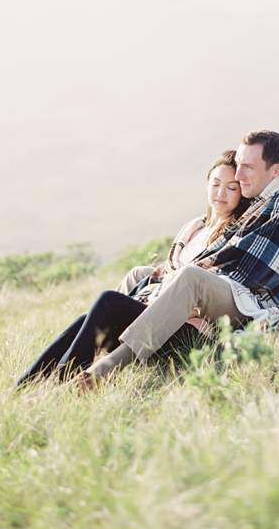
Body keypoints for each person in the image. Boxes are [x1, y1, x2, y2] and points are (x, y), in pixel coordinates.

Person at [18, 150, 251, 386]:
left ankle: (63, 383)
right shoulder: (196, 228)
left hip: (184, 329)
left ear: (241, 193)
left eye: (231, 188)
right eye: (216, 184)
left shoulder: (233, 235)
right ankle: (24, 387)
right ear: (207, 184)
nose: (221, 193)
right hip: (156, 313)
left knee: (109, 303)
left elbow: (214, 282)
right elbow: (170, 269)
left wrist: (172, 290)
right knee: (87, 320)